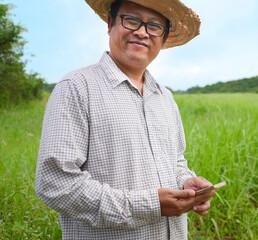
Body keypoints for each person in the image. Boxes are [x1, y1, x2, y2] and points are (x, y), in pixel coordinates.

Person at [35, 0, 215, 239]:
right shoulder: (76, 88)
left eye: (154, 26)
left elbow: (176, 161)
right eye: (132, 20)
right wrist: (150, 205)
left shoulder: (165, 97)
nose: (142, 32)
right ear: (110, 23)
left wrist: (186, 182)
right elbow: (54, 182)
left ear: (163, 37)